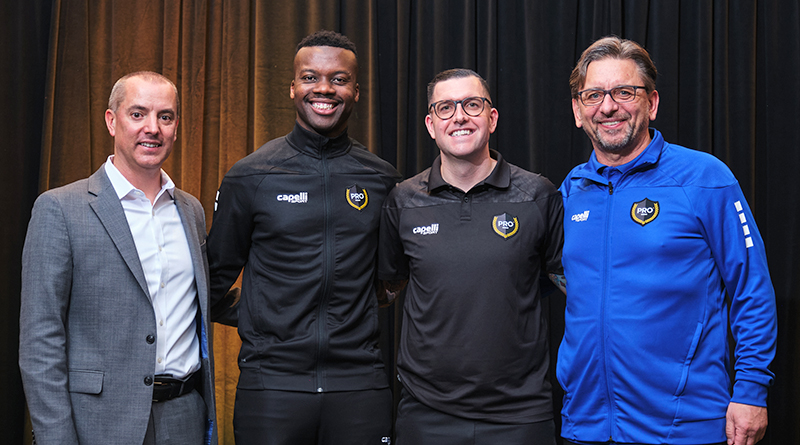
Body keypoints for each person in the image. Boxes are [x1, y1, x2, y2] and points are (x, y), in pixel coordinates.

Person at [558, 36, 777, 445]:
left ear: (652, 103)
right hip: (585, 425)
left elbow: (752, 288)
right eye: (593, 95)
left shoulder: (704, 178)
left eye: (624, 92)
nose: (608, 107)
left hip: (684, 427)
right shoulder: (571, 190)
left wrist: (751, 389)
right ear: (577, 110)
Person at [207, 30, 401, 444]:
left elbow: (394, 277)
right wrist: (266, 317)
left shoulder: (382, 179)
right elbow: (211, 282)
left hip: (359, 385)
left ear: (356, 90)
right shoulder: (251, 175)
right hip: (271, 386)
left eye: (339, 79)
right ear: (293, 87)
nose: (325, 89)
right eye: (311, 77)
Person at [19, 71, 217, 445]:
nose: (153, 128)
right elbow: (40, 341)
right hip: (100, 423)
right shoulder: (60, 209)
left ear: (176, 127)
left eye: (166, 116)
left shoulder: (191, 211)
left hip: (185, 416)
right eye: (138, 114)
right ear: (112, 121)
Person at [378, 68, 566, 445]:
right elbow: (389, 286)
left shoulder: (538, 195)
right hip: (426, 412)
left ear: (491, 118)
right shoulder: (403, 199)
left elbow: (565, 282)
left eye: (471, 104)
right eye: (445, 108)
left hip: (521, 414)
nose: (459, 116)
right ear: (431, 125)